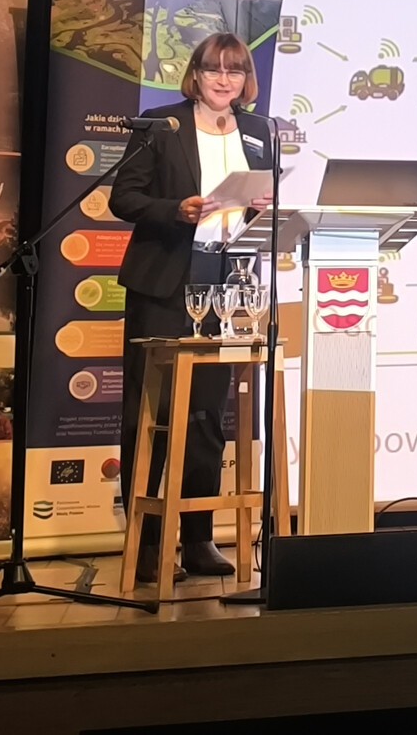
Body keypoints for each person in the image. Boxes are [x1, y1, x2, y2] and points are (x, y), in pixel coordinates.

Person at [110, 32, 273, 584]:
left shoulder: (259, 131)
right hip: (165, 283)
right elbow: (124, 198)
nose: (224, 80)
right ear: (195, 75)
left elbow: (258, 205)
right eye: (214, 69)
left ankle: (199, 539)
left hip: (228, 285)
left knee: (206, 416)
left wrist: (263, 207)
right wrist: (175, 210)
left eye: (235, 70)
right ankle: (148, 544)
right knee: (152, 414)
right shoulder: (163, 125)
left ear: (246, 79)